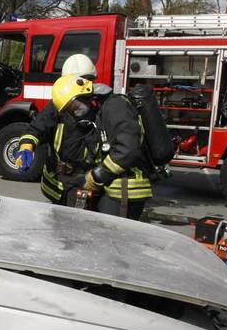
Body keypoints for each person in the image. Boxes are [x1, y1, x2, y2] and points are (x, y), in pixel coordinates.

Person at [17, 56, 151, 219]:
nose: (74, 110)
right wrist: (26, 145)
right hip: (65, 185)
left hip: (112, 187)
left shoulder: (111, 105)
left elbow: (126, 149)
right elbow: (37, 127)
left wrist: (96, 176)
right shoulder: (62, 103)